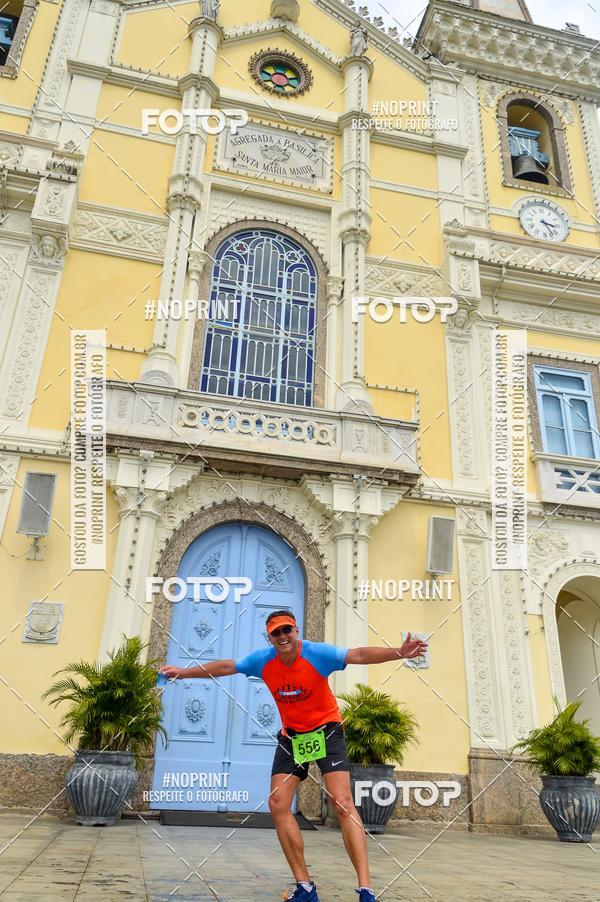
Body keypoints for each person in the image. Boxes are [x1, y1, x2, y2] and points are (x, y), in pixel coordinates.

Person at [160, 610, 428, 902]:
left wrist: (398, 653)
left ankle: (366, 890)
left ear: (296, 630)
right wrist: (183, 672)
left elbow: (359, 655)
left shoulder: (317, 654)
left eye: (287, 629)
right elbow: (226, 667)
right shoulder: (262, 661)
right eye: (276, 632)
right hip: (293, 736)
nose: (283, 636)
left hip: (326, 730)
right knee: (278, 802)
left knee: (342, 802)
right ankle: (305, 888)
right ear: (270, 637)